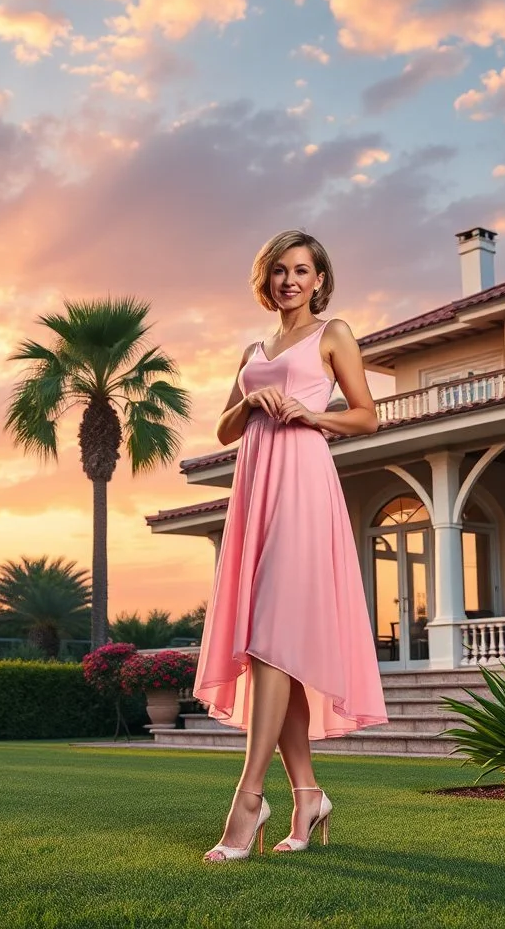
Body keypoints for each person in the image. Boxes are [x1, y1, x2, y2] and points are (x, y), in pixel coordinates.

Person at [194, 229, 388, 862]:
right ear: (266, 280)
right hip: (255, 489)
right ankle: (307, 795)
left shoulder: (334, 334)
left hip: (304, 482)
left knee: (272, 636)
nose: (289, 281)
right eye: (279, 271)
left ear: (318, 279)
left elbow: (366, 414)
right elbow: (224, 429)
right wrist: (252, 397)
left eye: (301, 270)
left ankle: (248, 798)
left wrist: (312, 416)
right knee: (275, 646)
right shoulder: (254, 349)